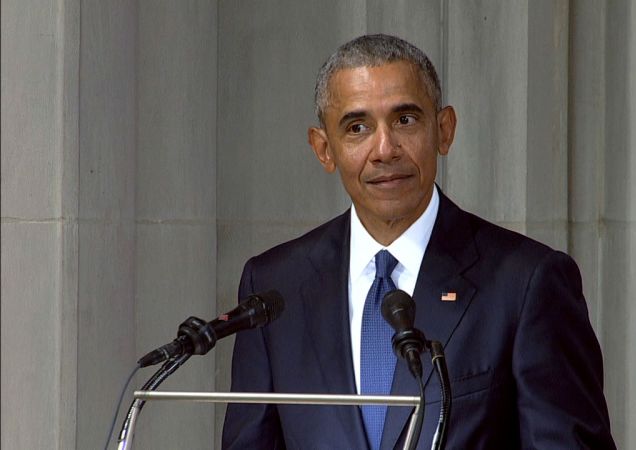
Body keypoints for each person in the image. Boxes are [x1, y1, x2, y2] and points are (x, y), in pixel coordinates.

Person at [222, 34, 615, 449]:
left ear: (443, 131)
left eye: (405, 120)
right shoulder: (274, 287)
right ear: (324, 149)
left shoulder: (526, 282)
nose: (385, 149)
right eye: (357, 127)